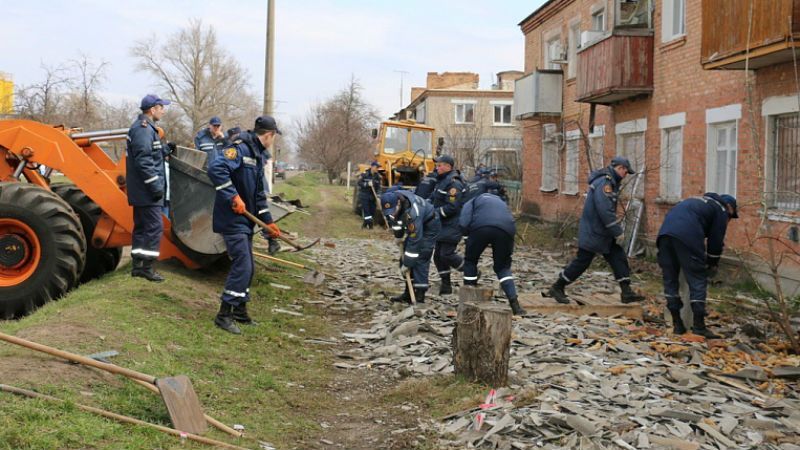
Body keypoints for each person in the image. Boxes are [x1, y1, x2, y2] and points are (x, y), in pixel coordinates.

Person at [207, 115, 282, 334]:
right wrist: (233, 196)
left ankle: (239, 311)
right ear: (269, 135)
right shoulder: (239, 149)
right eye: (274, 137)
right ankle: (223, 314)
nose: (273, 140)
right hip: (231, 218)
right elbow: (215, 169)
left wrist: (269, 224)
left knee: (249, 267)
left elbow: (258, 196)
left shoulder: (257, 156)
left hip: (245, 221)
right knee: (243, 265)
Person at [546, 156, 645, 305]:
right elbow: (605, 210)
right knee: (583, 261)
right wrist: (617, 231)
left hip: (602, 232)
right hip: (594, 232)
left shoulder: (610, 181)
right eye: (625, 172)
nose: (626, 175)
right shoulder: (605, 183)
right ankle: (557, 287)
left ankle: (626, 291)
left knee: (618, 256)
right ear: (620, 168)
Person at [657, 193, 738, 338]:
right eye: (731, 217)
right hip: (687, 237)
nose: (729, 220)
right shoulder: (721, 209)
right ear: (729, 207)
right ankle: (699, 326)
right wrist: (712, 263)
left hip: (664, 235)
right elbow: (716, 241)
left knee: (670, 279)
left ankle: (677, 324)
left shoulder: (695, 202)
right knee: (698, 279)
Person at [126, 94, 171, 282]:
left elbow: (151, 154)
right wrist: (156, 186)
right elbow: (143, 160)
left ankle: (138, 265)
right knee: (154, 227)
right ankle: (147, 267)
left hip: (142, 190)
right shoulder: (143, 129)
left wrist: (167, 149)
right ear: (152, 110)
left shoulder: (145, 129)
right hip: (147, 191)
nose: (163, 111)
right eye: (161, 107)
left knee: (142, 227)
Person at [459, 192, 526, 315]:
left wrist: (467, 240)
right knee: (503, 267)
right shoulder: (502, 202)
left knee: (470, 261)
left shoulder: (473, 200)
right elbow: (509, 219)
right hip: (506, 230)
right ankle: (515, 304)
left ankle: (469, 298)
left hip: (481, 227)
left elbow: (463, 222)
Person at [380, 189, 440, 304]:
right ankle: (408, 293)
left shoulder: (412, 212)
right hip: (416, 226)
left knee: (421, 256)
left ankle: (420, 296)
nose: (392, 214)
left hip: (430, 224)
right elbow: (396, 222)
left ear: (398, 203)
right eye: (389, 212)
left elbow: (415, 240)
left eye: (393, 211)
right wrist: (398, 236)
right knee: (404, 257)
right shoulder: (392, 203)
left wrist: (407, 264)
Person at [431, 154, 466, 295]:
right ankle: (446, 285)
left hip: (453, 224)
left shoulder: (454, 183)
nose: (437, 168)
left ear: (448, 166)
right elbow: (435, 200)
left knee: (446, 254)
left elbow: (452, 207)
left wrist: (434, 214)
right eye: (437, 165)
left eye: (439, 165)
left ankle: (471, 271)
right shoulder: (442, 181)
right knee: (438, 257)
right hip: (442, 224)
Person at [357, 161, 382, 229]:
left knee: (372, 211)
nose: (377, 169)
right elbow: (359, 183)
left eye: (378, 167)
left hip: (372, 197)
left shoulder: (378, 176)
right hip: (364, 195)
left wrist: (378, 196)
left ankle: (364, 225)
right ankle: (370, 225)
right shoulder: (365, 174)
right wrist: (367, 184)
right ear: (372, 167)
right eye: (376, 167)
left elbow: (379, 188)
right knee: (367, 211)